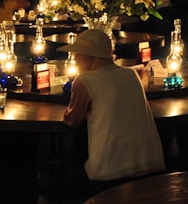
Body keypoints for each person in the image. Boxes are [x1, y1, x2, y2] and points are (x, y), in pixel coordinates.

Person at [60, 29, 165, 193]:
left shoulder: (85, 80)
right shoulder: (131, 74)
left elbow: (72, 120)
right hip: (148, 162)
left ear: (90, 57)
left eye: (77, 55)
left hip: (110, 170)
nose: (75, 59)